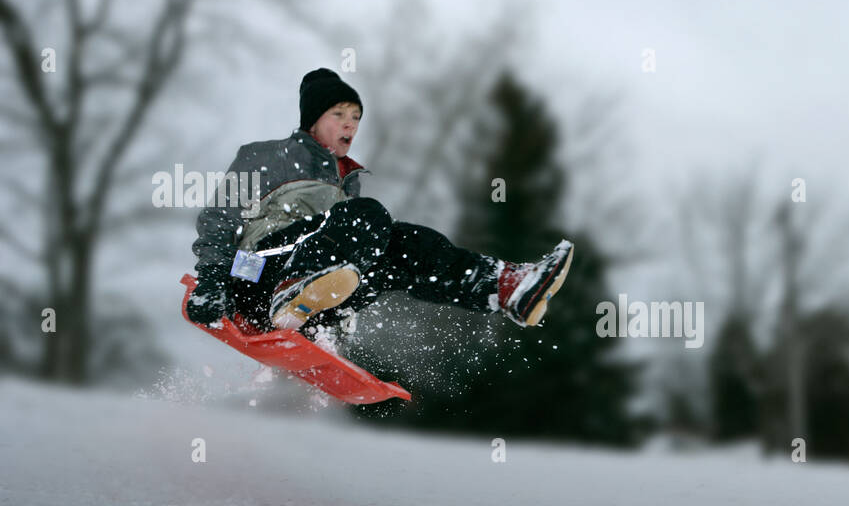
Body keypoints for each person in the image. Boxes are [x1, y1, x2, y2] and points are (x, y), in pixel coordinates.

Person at [186, 68, 573, 338]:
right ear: (313, 120)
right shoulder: (267, 156)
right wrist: (212, 280)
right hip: (254, 278)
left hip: (306, 302)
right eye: (338, 114)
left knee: (405, 244)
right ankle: (293, 287)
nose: (350, 125)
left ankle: (504, 287)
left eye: (355, 116)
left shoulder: (345, 182)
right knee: (369, 216)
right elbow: (221, 218)